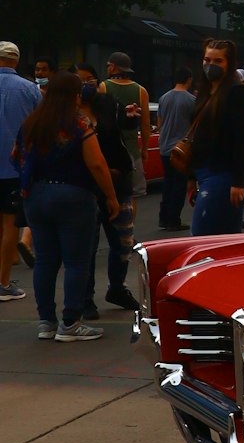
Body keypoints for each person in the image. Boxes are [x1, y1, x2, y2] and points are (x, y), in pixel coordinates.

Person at [13, 71, 118, 341]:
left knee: (45, 261)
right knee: (76, 262)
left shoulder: (31, 123)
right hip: (74, 196)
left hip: (36, 196)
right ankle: (70, 322)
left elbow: (16, 157)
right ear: (75, 96)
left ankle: (46, 321)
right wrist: (110, 196)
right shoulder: (79, 124)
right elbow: (96, 163)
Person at [75, 64, 137, 317]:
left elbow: (123, 129)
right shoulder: (67, 114)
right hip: (87, 188)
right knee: (87, 246)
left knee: (123, 242)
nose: (86, 85)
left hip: (118, 182)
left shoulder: (108, 104)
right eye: (80, 82)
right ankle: (85, 298)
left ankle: (117, 288)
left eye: (90, 80)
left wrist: (129, 117)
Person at [188, 39, 244, 236]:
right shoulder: (205, 92)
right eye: (207, 59)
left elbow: (242, 138)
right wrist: (192, 176)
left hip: (224, 173)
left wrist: (238, 182)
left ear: (229, 64)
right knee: (225, 236)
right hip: (205, 170)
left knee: (202, 235)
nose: (211, 65)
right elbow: (197, 134)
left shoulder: (238, 93)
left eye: (218, 61)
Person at [0, 40, 41, 302]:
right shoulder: (29, 89)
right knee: (9, 225)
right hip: (15, 167)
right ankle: (3, 282)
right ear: (16, 61)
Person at [102, 52, 151, 198]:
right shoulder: (141, 90)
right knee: (132, 194)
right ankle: (130, 221)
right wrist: (145, 148)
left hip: (109, 151)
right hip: (133, 150)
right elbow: (146, 123)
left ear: (113, 67)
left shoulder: (103, 87)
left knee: (110, 193)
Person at [156, 67, 195, 230]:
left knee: (168, 183)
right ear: (189, 80)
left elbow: (159, 123)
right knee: (179, 185)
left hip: (164, 146)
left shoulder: (163, 98)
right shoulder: (191, 100)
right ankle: (174, 220)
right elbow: (194, 126)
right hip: (180, 149)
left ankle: (163, 218)